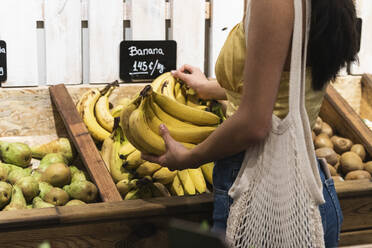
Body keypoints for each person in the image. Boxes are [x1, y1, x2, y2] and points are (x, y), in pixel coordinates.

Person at [143, 0, 358, 247]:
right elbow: (284, 85)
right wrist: (209, 89)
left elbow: (254, 124)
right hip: (304, 185)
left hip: (263, 190)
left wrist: (188, 158)